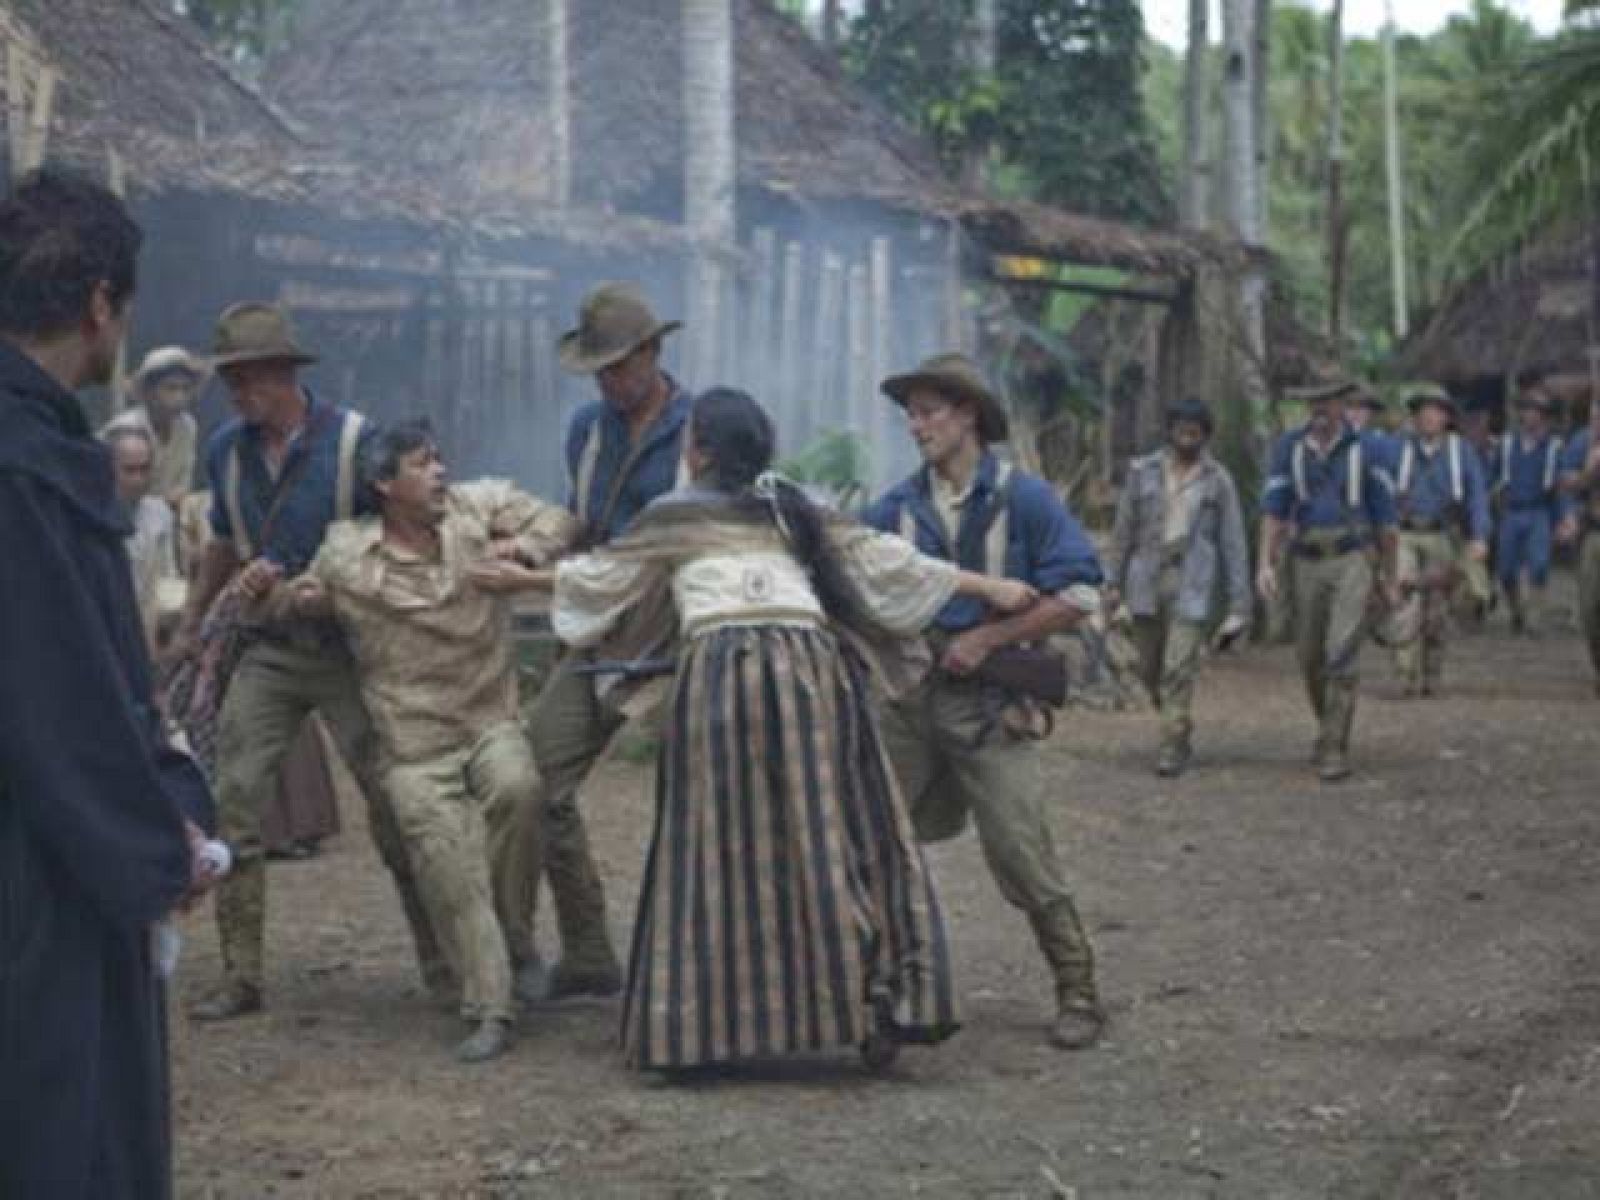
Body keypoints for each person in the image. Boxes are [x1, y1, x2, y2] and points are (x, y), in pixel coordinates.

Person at [487, 388, 1009, 1071]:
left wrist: (515, 583)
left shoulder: (677, 514)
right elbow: (886, 561)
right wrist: (986, 587)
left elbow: (600, 579)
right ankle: (873, 1000)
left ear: (697, 450)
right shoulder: (792, 508)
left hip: (725, 674)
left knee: (716, 845)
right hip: (812, 674)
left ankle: (698, 1031)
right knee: (832, 836)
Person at [0, 169, 216, 1199]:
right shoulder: (24, 473)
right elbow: (57, 708)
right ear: (99, 303)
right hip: (32, 885)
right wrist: (161, 837)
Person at [170, 302, 442, 1020]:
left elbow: (407, 532)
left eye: (247, 376)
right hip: (266, 650)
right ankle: (240, 977)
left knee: (395, 803)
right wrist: (198, 621)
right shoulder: (226, 449)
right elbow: (222, 544)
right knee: (234, 796)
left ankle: (445, 965)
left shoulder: (357, 443)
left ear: (284, 373)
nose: (235, 391)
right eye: (230, 377)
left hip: (350, 649)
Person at [285, 422, 577, 1061]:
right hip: (412, 743)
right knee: (448, 862)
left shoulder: (479, 507)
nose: (441, 471)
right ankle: (491, 1006)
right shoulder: (345, 553)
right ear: (385, 484)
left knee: (520, 790)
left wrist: (525, 553)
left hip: (488, 720)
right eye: (423, 464)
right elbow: (302, 597)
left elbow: (559, 519)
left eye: (441, 459)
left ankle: (516, 942)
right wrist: (298, 600)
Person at [863, 352, 1108, 1051]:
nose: (916, 426)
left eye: (929, 411)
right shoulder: (893, 508)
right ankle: (879, 994)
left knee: (1020, 849)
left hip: (991, 705)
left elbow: (1080, 593)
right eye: (910, 414)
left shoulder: (1025, 499)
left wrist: (991, 637)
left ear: (968, 414)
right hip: (909, 704)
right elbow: (860, 575)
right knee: (877, 842)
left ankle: (1078, 987)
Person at [519, 283, 693, 1002]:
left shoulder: (700, 429)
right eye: (599, 369)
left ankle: (688, 969)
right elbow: (580, 518)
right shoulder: (588, 428)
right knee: (533, 778)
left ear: (653, 353)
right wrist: (536, 549)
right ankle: (589, 951)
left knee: (695, 803)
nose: (609, 381)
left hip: (678, 637)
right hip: (600, 632)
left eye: (619, 365)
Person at [1259, 380, 1399, 781]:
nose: (1320, 408)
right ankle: (1328, 725)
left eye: (1329, 400)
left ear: (1343, 405)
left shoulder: (1367, 449)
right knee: (1308, 655)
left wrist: (1389, 578)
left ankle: (1335, 744)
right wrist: (1264, 564)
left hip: (1352, 556)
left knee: (1341, 651)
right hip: (1304, 560)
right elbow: (1273, 510)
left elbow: (1387, 522)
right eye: (1313, 400)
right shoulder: (1290, 447)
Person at [1106, 398, 1252, 777]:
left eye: (1196, 428)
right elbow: (1123, 532)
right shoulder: (1143, 472)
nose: (1188, 434)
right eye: (1182, 426)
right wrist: (1111, 583)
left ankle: (1172, 744)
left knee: (1178, 666)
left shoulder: (1217, 480)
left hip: (1192, 581)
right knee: (1149, 668)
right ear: (1170, 430)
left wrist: (1239, 606)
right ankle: (1177, 724)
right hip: (1145, 579)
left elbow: (1233, 543)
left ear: (1205, 434)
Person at [1388, 384, 1491, 696]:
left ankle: (1432, 672)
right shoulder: (1399, 447)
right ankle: (1405, 674)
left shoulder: (1462, 451)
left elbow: (1477, 497)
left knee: (1437, 608)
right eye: (1422, 411)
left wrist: (1479, 536)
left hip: (1443, 534)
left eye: (1435, 411)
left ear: (1447, 417)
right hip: (1403, 532)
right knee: (1403, 603)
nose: (1428, 417)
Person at [1492, 382, 1564, 636]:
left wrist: (1561, 520)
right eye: (1527, 410)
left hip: (1539, 511)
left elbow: (1559, 488)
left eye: (1537, 411)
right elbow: (1493, 479)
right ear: (1521, 414)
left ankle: (1535, 619)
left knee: (1539, 565)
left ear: (1544, 416)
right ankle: (1516, 612)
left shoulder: (1554, 448)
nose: (1531, 415)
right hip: (1512, 510)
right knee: (1506, 568)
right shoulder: (1506, 445)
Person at [102, 344, 203, 515]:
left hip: (168, 518)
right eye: (170, 388)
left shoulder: (187, 427)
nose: (179, 396)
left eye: (185, 388)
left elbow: (184, 480)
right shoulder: (124, 429)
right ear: (149, 391)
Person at [108, 424, 180, 653]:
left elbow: (168, 578)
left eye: (144, 469)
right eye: (129, 470)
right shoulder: (90, 519)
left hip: (148, 632)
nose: (138, 479)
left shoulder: (160, 514)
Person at [1557, 397, 1600, 695]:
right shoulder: (1585, 442)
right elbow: (1564, 482)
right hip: (1596, 532)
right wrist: (1589, 473)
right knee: (1591, 607)